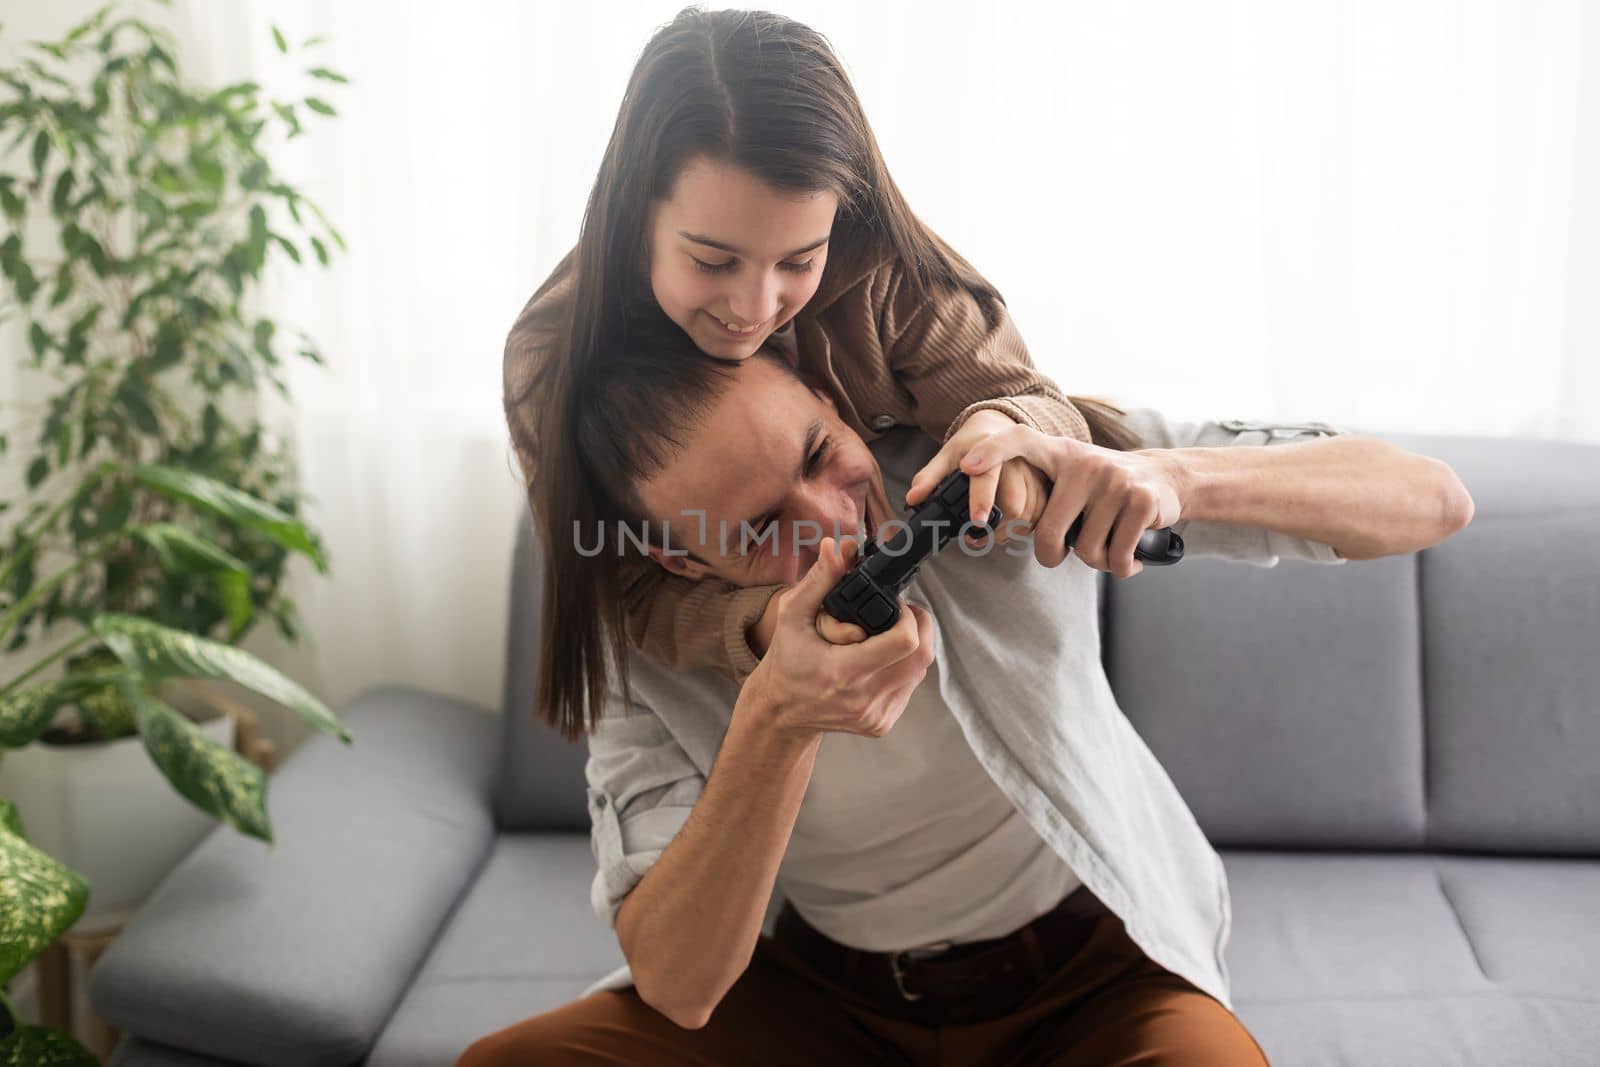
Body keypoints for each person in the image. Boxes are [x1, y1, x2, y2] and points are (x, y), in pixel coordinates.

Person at [459, 320, 1475, 1065]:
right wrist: (775, 722)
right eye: (758, 528)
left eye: (821, 453)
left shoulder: (992, 458)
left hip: (1098, 978)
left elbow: (1431, 497)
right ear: (675, 566)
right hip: (827, 1000)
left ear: (830, 398)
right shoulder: (646, 641)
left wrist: (1172, 477)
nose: (834, 522)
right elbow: (680, 984)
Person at [503, 6, 1149, 745]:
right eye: (713, 262)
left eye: (800, 262)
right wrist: (768, 619)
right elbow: (627, 594)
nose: (754, 311)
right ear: (631, 212)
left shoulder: (886, 267)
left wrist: (1002, 430)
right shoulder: (549, 363)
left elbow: (1025, 398)